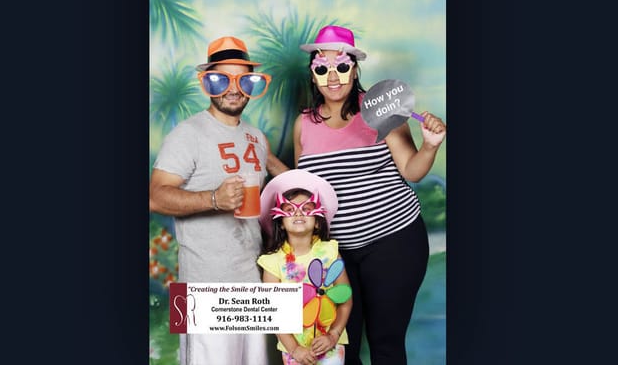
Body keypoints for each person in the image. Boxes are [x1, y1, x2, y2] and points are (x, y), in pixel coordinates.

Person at [293, 25, 447, 365]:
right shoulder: (303, 124)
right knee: (340, 347)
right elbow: (304, 191)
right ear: (313, 75)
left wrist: (430, 146)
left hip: (393, 241)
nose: (333, 76)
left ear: (355, 69)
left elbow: (411, 170)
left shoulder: (381, 109)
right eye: (322, 68)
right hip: (336, 255)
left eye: (341, 66)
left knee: (385, 343)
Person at [149, 35, 288, 365]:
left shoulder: (256, 137)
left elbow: (283, 180)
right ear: (207, 83)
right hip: (203, 286)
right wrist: (214, 199)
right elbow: (154, 197)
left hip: (253, 284)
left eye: (243, 80)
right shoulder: (187, 134)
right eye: (221, 79)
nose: (233, 89)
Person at [257, 169, 352, 365]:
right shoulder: (273, 262)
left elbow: (346, 299)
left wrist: (333, 335)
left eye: (307, 209)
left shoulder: (330, 252)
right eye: (290, 210)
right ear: (281, 224)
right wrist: (294, 349)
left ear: (317, 223)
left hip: (330, 346)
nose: (299, 213)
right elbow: (273, 312)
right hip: (295, 351)